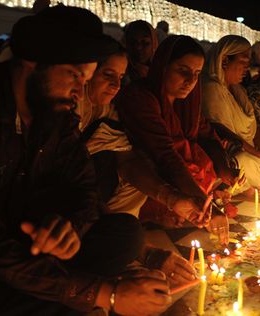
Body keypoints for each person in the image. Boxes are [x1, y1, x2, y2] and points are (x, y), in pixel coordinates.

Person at [0, 6, 171, 315]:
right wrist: (107, 295)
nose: (80, 91)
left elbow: (85, 190)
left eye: (87, 78)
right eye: (74, 76)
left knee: (125, 234)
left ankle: (56, 291)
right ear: (32, 62)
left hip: (33, 249)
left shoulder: (57, 118)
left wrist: (69, 229)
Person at [77, 35, 199, 287]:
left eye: (121, 78)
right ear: (85, 73)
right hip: (71, 208)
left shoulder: (105, 110)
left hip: (97, 194)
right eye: (107, 74)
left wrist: (171, 198)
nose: (116, 85)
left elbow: (127, 160)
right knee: (127, 236)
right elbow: (162, 152)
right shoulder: (136, 98)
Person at [116, 35, 235, 244]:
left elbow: (207, 133)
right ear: (163, 67)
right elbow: (164, 155)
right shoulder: (141, 98)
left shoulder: (187, 103)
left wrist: (224, 168)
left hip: (180, 174)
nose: (191, 81)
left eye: (197, 73)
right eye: (183, 71)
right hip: (152, 176)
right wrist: (205, 204)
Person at [201, 35, 260, 191]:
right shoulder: (212, 89)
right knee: (245, 162)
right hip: (228, 157)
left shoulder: (238, 90)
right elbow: (226, 138)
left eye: (248, 63)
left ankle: (255, 184)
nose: (247, 68)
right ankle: (249, 186)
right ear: (224, 61)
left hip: (249, 152)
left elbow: (253, 131)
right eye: (243, 62)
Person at [123, 20, 158, 84]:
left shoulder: (162, 73)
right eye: (133, 42)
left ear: (154, 44)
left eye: (145, 43)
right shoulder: (120, 72)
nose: (138, 47)